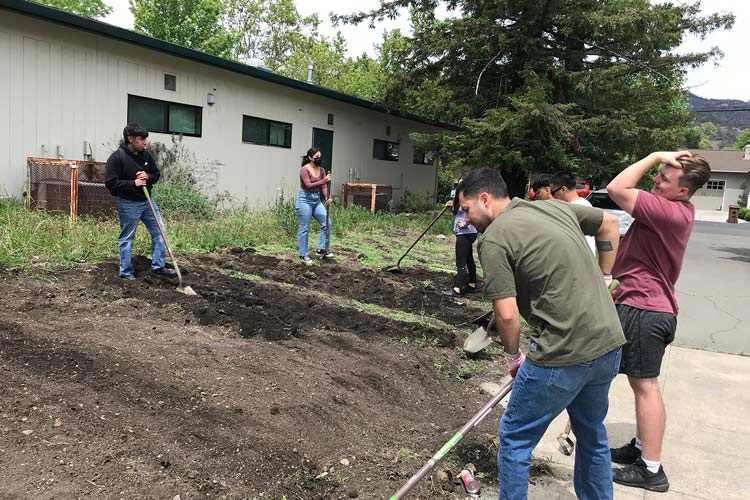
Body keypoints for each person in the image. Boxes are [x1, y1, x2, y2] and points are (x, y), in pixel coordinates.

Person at [457, 167, 625, 500]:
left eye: (466, 209)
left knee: (516, 437)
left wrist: (513, 358)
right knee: (591, 434)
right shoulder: (553, 207)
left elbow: (507, 314)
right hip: (607, 343)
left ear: (485, 199)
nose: (465, 219)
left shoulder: (493, 239)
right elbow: (609, 224)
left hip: (562, 352)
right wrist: (607, 277)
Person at [606, 152, 711, 492]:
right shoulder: (678, 209)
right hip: (649, 307)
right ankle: (641, 449)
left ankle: (651, 470)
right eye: (660, 173)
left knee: (646, 387)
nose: (657, 179)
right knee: (642, 386)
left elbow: (616, 187)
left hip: (645, 310)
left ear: (683, 191)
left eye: (665, 178)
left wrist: (653, 156)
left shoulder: (668, 211)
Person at [104, 123, 176, 280]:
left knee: (159, 231)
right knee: (127, 237)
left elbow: (156, 174)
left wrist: (147, 176)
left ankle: (159, 266)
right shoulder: (117, 158)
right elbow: (111, 183)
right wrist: (133, 183)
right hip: (129, 204)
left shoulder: (146, 155)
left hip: (147, 201)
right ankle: (126, 272)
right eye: (141, 139)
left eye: (145, 139)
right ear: (130, 139)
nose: (145, 142)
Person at [297, 147, 333, 265]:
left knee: (327, 223)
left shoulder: (322, 170)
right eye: (317, 157)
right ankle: (303, 254)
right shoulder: (304, 170)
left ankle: (321, 249)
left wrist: (327, 197)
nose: (319, 158)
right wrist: (324, 180)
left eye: (320, 156)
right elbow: (308, 185)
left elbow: (323, 187)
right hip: (305, 200)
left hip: (316, 200)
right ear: (310, 158)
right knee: (305, 228)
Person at [443, 178, 478, 298]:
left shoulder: (468, 198)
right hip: (469, 233)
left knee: (461, 261)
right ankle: (472, 284)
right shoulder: (464, 197)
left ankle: (457, 288)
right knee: (469, 259)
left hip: (465, 233)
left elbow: (473, 212)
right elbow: (458, 212)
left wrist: (466, 223)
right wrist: (451, 207)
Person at [549, 171, 596, 255]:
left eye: (553, 192)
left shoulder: (577, 208)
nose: (552, 196)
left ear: (563, 189)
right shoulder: (582, 204)